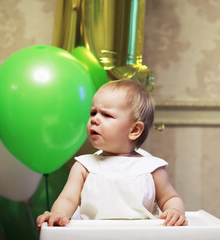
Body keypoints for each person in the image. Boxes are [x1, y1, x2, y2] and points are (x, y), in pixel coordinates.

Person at [37, 79, 187, 229]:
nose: (95, 119)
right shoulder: (84, 166)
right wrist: (59, 213)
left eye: (106, 115)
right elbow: (68, 198)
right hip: (93, 235)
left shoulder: (152, 168)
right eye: (93, 112)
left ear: (134, 130)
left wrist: (174, 211)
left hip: (142, 235)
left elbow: (170, 198)